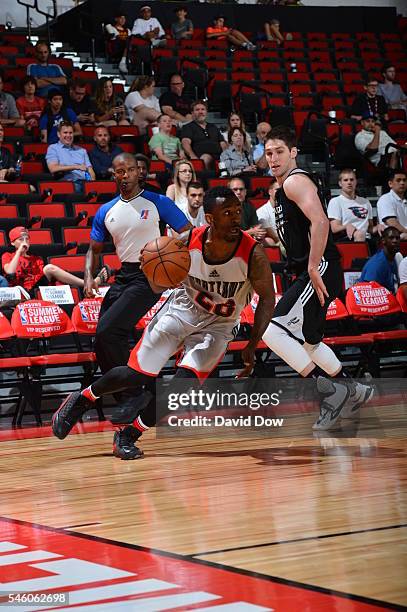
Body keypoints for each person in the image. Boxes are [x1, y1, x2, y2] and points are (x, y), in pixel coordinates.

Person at [52, 186, 275, 460]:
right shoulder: (184, 242)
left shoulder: (253, 254)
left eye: (237, 211)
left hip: (219, 325)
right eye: (226, 213)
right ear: (210, 218)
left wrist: (253, 344)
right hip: (182, 310)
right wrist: (160, 276)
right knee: (137, 374)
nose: (235, 218)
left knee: (180, 389)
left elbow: (267, 300)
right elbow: (156, 280)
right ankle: (83, 398)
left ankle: (129, 433)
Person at [261, 125, 373, 430]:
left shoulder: (294, 182)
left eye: (279, 152)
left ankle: (331, 392)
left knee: (273, 333)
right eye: (268, 153)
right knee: (310, 341)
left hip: (320, 268)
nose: (272, 158)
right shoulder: (287, 186)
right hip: (320, 268)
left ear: (293, 152)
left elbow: (321, 221)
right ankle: (353, 389)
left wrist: (311, 266)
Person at [79, 153, 192, 410]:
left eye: (131, 170)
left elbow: (188, 233)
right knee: (102, 339)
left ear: (138, 172)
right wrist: (88, 276)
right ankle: (134, 395)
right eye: (121, 171)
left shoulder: (158, 202)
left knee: (110, 330)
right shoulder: (106, 210)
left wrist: (165, 252)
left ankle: (133, 396)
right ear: (114, 174)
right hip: (124, 275)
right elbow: (93, 250)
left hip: (150, 275)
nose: (126, 175)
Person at [2, 226, 109, 296]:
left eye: (27, 239)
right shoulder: (7, 256)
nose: (25, 242)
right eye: (21, 240)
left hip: (36, 291)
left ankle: (88, 284)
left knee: (49, 268)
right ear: (12, 243)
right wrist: (19, 252)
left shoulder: (37, 259)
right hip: (18, 292)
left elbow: (43, 281)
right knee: (49, 268)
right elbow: (10, 271)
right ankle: (90, 283)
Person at [45, 121, 95, 193]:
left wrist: (93, 184)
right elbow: (53, 168)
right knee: (77, 188)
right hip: (68, 183)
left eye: (70, 133)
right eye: (65, 133)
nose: (68, 135)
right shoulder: (53, 148)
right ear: (59, 134)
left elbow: (90, 170)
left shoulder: (82, 150)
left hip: (85, 183)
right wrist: (76, 167)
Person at [327, 168, 375, 242]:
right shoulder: (335, 202)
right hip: (348, 238)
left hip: (367, 238)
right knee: (359, 234)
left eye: (352, 180)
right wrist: (347, 226)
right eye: (345, 180)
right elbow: (334, 228)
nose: (349, 182)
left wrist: (380, 227)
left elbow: (370, 228)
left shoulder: (365, 202)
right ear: (340, 183)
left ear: (356, 182)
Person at [181, 100, 227, 170]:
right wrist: (193, 156)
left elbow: (222, 143)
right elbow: (185, 142)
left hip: (219, 156)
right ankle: (209, 179)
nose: (200, 112)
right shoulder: (188, 127)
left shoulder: (213, 127)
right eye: (197, 110)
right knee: (206, 158)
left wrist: (226, 156)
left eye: (203, 109)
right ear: (192, 113)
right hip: (202, 157)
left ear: (206, 112)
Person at [359, 227, 402, 293]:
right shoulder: (377, 264)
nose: (395, 241)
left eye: (397, 238)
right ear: (383, 240)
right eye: (391, 238)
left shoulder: (397, 257)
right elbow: (368, 291)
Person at [377, 169, 407, 239]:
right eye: (398, 180)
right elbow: (392, 223)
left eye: (404, 180)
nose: (402, 183)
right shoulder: (385, 199)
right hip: (393, 238)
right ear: (390, 184)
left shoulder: (405, 200)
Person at [255, 178, 281, 246]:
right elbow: (274, 237)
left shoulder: (288, 208)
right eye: (277, 190)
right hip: (278, 244)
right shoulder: (261, 212)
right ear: (270, 192)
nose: (281, 193)